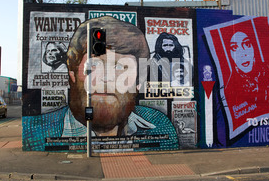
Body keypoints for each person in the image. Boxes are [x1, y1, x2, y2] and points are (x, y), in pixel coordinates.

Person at [23, 16, 178, 151]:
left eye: (119, 67)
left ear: (138, 81)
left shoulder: (159, 124)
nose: (106, 77)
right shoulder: (35, 131)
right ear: (73, 74)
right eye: (93, 66)